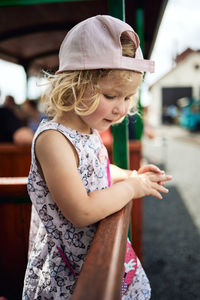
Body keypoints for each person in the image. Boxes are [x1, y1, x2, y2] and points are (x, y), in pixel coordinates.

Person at [23, 15, 172, 299]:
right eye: (111, 95)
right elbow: (82, 211)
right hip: (71, 271)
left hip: (91, 254)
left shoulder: (88, 130)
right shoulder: (54, 139)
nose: (121, 109)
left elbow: (97, 168)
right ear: (73, 84)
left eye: (128, 98)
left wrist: (128, 175)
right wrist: (131, 188)